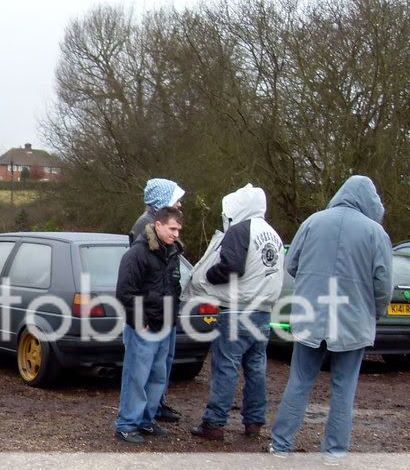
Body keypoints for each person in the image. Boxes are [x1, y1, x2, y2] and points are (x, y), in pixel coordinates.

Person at [269, 175, 393, 463]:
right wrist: (375, 312)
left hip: (310, 317)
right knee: (344, 388)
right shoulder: (376, 233)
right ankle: (334, 453)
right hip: (352, 322)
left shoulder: (312, 222)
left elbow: (292, 264)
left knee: (299, 381)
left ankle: (280, 445)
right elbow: (383, 285)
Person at [188, 184, 284, 441]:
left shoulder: (241, 230)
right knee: (256, 367)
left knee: (226, 366)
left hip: (237, 310)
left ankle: (214, 423)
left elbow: (230, 266)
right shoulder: (273, 234)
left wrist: (208, 275)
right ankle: (254, 423)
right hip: (263, 311)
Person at [114, 204, 184, 443]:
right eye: (172, 229)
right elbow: (124, 292)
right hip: (144, 328)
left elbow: (174, 287)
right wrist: (139, 321)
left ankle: (146, 419)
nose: (176, 234)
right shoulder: (137, 254)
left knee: (158, 377)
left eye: (178, 230)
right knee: (136, 376)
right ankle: (127, 424)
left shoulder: (172, 253)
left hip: (165, 326)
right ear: (158, 225)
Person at [129, 178, 186, 423]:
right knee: (145, 370)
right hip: (152, 311)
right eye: (175, 198)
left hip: (164, 310)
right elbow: (147, 275)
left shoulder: (164, 227)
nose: (180, 203)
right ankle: (139, 417)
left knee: (161, 365)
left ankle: (155, 406)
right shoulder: (146, 226)